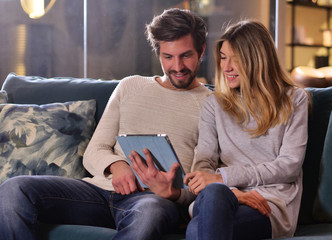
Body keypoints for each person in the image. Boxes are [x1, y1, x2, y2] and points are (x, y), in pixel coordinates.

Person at [0, 8, 211, 240]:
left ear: (201, 51)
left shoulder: (212, 105)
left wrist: (173, 194)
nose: (178, 67)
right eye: (168, 57)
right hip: (98, 192)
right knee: (14, 189)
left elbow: (207, 178)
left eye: (186, 55)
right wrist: (117, 166)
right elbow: (94, 151)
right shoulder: (130, 86)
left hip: (151, 201)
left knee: (150, 212)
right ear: (158, 52)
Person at [183, 20, 309, 239]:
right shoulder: (214, 104)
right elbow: (204, 163)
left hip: (268, 203)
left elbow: (289, 166)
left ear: (257, 60)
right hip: (221, 197)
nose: (226, 67)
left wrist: (223, 179)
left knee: (196, 230)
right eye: (223, 57)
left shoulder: (293, 99)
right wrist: (231, 191)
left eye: (236, 58)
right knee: (214, 196)